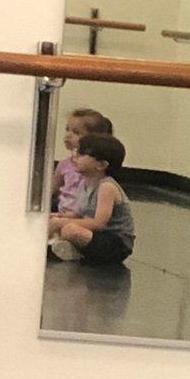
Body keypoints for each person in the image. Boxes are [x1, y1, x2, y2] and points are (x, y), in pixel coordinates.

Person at [47, 132, 136, 267]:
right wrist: (57, 216)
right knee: (58, 223)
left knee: (70, 230)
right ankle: (66, 246)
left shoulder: (107, 187)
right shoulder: (85, 182)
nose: (75, 156)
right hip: (97, 235)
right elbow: (78, 215)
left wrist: (61, 222)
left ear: (101, 165)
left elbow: (99, 223)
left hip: (115, 242)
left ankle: (77, 252)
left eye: (82, 154)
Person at [50, 105, 112, 217]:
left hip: (84, 217)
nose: (68, 135)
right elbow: (50, 190)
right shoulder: (64, 165)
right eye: (67, 129)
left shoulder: (95, 168)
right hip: (62, 214)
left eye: (76, 132)